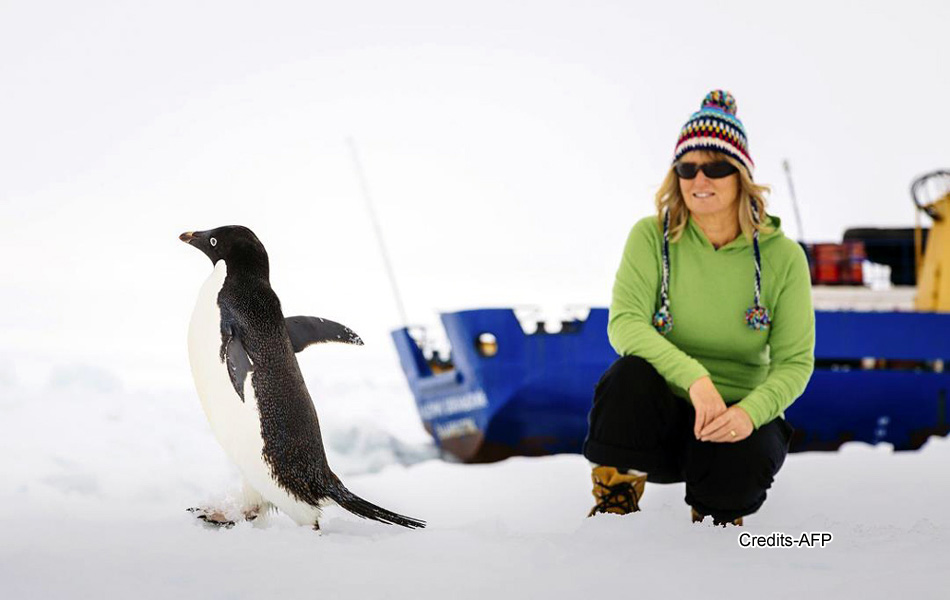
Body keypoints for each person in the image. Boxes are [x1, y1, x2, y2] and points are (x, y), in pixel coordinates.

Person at [583, 90, 815, 526]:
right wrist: (695, 379)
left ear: (741, 175)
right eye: (687, 168)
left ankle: (717, 529)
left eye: (716, 167)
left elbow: (795, 363)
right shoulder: (650, 237)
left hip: (735, 421)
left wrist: (750, 413)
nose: (699, 180)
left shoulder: (784, 257)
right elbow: (625, 324)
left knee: (736, 471)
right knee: (627, 377)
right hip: (662, 423)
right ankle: (614, 509)